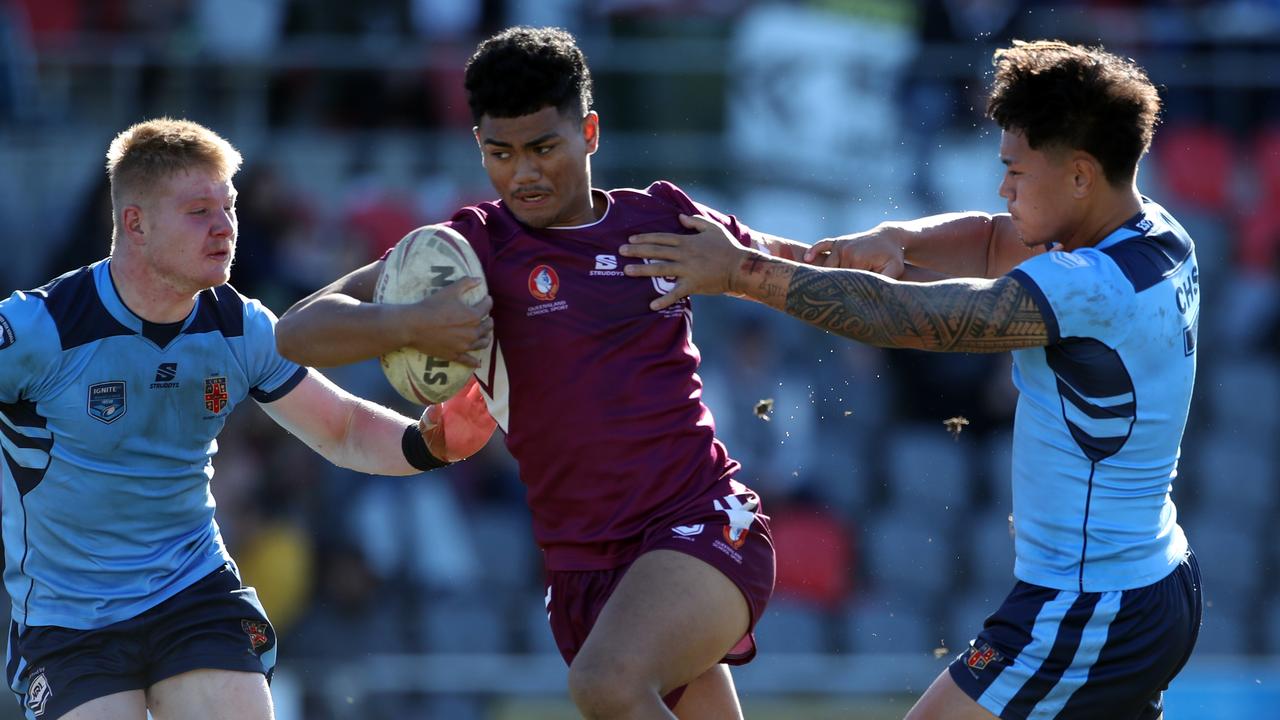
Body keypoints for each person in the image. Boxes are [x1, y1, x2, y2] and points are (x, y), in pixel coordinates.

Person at [621, 40, 1202, 720]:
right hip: (1154, 579)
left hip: (1089, 604)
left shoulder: (1090, 286)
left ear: (1078, 175)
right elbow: (991, 239)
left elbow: (920, 320)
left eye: (1014, 170)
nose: (1002, 188)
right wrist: (898, 240)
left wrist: (741, 274)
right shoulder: (1155, 236)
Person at [275, 26, 807, 720]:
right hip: (583, 572)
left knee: (606, 684)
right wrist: (405, 325)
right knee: (616, 681)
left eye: (542, 148)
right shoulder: (475, 250)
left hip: (698, 522)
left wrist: (904, 259)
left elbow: (798, 264)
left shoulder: (661, 222)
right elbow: (297, 331)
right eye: (500, 153)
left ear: (588, 130)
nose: (522, 173)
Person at [0, 117, 491, 720]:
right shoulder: (40, 330)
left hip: (190, 592)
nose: (226, 227)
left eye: (229, 208)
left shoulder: (240, 326)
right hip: (69, 618)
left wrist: (429, 442)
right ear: (135, 223)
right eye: (199, 211)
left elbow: (341, 429)